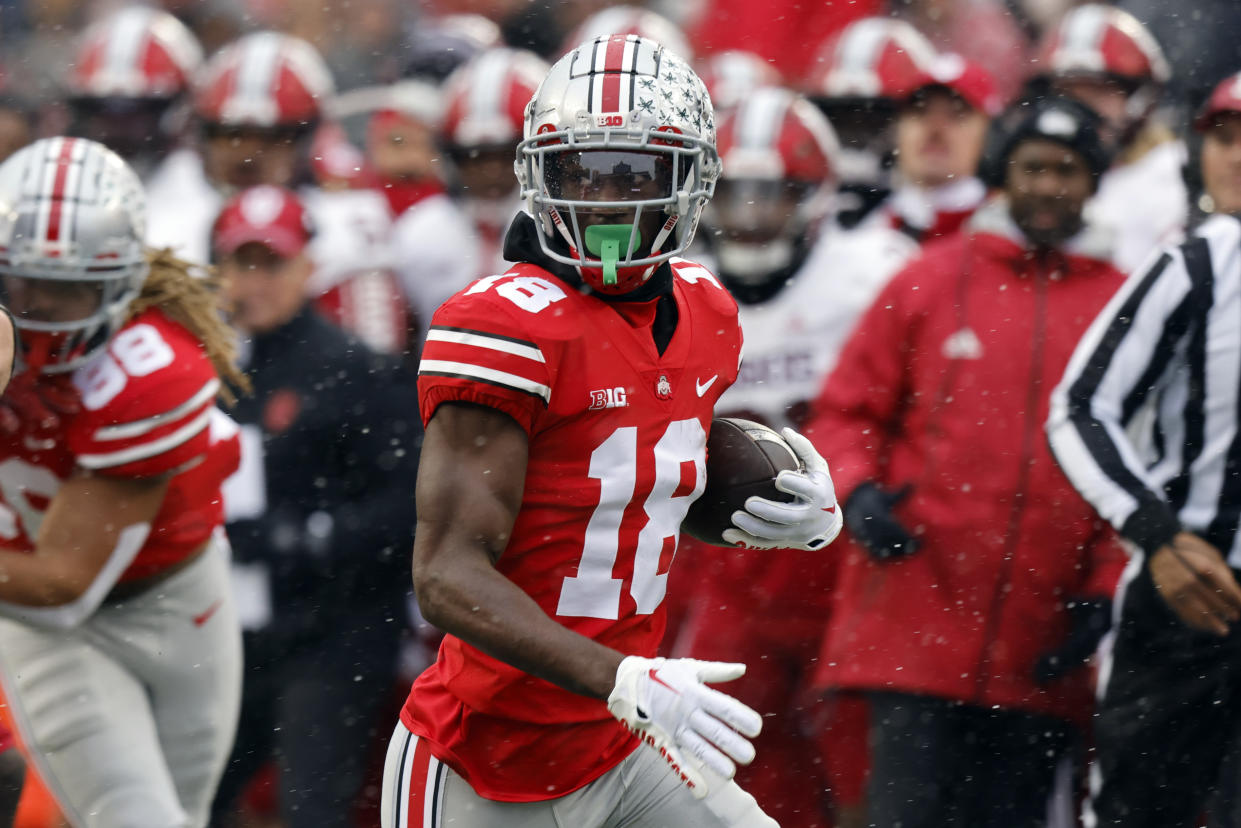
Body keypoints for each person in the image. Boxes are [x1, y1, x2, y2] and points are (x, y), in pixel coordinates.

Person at [380, 35, 843, 828]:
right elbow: (447, 574)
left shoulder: (705, 311)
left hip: (620, 739)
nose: (607, 202)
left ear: (689, 182)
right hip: (482, 758)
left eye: (635, 173)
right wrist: (624, 676)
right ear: (539, 176)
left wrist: (784, 505)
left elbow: (629, 490)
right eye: (581, 172)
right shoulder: (500, 327)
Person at [804, 97, 1129, 827]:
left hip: (1039, 645)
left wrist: (1106, 588)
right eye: (1033, 167)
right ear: (1002, 173)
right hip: (914, 625)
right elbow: (846, 410)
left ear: (1093, 179)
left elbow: (1137, 462)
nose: (1048, 186)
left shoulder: (1122, 304)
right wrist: (856, 493)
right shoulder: (928, 280)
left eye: (1067, 170)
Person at [678, 85, 915, 828]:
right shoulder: (677, 286)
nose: (748, 218)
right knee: (719, 761)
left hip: (842, 562)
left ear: (813, 198)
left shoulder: (871, 272)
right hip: (727, 564)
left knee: (859, 769)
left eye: (769, 196)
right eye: (734, 197)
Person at [0, 136, 246, 828]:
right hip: (46, 632)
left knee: (183, 816)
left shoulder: (151, 372)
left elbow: (64, 583)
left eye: (70, 286)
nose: (43, 306)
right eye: (24, 280)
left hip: (174, 597)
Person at [1046, 69, 1241, 828]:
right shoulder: (1201, 258)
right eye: (1222, 138)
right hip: (1189, 592)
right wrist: (1156, 535)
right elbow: (1078, 406)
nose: (1232, 157)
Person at [207, 185, 419, 827]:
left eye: (271, 263)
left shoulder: (355, 370)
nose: (255, 281)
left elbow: (408, 509)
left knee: (312, 806)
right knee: (192, 797)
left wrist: (303, 537)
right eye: (241, 263)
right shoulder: (205, 367)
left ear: (307, 266)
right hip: (236, 631)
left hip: (334, 631)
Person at [1032, 3, 1187, 274]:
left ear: (1138, 99)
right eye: (1068, 93)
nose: (1081, 110)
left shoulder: (1171, 177)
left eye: (1097, 92)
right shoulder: (1028, 170)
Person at [800, 17, 939, 228]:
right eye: (842, 122)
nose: (854, 139)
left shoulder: (942, 220)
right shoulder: (801, 220)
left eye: (872, 121)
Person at [66, 6, 203, 180]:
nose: (118, 129)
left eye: (137, 110)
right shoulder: (57, 183)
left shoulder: (204, 200)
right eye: (101, 109)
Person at [879, 55, 1001, 245]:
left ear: (986, 133)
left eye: (956, 114)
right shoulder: (860, 222)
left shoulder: (1006, 229)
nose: (935, 128)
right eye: (920, 111)